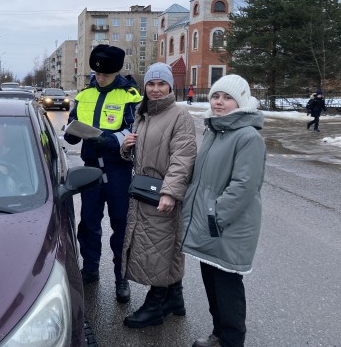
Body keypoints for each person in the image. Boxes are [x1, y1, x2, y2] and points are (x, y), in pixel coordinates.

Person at [181, 74, 266, 347]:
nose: (219, 102)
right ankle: (219, 335)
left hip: (227, 226)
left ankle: (232, 341)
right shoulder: (215, 130)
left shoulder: (247, 136)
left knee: (227, 285)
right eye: (216, 96)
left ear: (241, 102)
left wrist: (214, 217)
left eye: (227, 98)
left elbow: (244, 186)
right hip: (210, 223)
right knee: (212, 281)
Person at [120, 62, 197, 329]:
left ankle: (155, 305)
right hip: (144, 193)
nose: (155, 89)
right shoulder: (143, 115)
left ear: (170, 86)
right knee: (162, 248)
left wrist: (170, 193)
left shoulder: (179, 116)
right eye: (151, 84)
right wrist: (127, 147)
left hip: (162, 195)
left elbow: (183, 157)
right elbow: (143, 154)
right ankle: (175, 299)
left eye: (161, 84)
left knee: (160, 250)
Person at [63, 44, 142, 303]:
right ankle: (91, 269)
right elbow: (72, 126)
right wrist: (71, 133)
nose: (100, 78)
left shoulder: (129, 95)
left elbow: (134, 131)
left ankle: (121, 277)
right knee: (89, 223)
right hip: (90, 169)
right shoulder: (85, 94)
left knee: (120, 225)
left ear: (116, 71)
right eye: (97, 74)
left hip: (117, 169)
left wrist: (109, 141)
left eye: (105, 75)